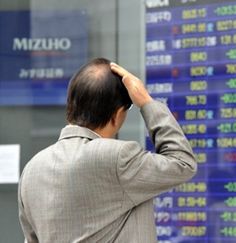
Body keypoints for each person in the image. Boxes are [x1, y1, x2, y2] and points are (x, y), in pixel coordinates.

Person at [17, 58, 197, 242]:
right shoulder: (117, 158)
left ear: (70, 106)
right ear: (117, 116)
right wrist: (146, 102)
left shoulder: (31, 171)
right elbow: (182, 162)